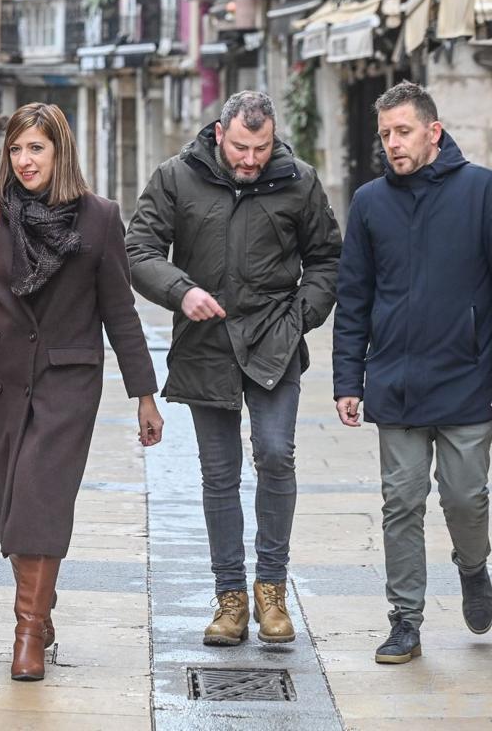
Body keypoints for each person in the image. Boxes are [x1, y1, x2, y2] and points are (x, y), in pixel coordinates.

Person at [0, 102, 162, 681]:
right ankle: (41, 606)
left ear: (60, 150)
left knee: (40, 497)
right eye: (16, 149)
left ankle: (28, 631)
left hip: (68, 380)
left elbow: (120, 309)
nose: (24, 160)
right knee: (12, 510)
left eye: (36, 148)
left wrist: (144, 392)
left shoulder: (99, 218)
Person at [126, 90, 341, 647]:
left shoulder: (300, 180)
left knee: (275, 453)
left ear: (274, 138)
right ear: (219, 134)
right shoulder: (176, 177)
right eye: (242, 147)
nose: (251, 159)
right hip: (205, 341)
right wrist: (181, 291)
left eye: (262, 147)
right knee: (218, 474)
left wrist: (301, 317)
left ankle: (272, 588)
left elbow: (327, 259)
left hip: (275, 337)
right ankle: (230, 598)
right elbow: (138, 249)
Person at [333, 82, 492, 665]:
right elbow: (354, 297)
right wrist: (349, 380)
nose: (393, 144)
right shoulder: (371, 201)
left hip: (467, 381)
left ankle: (474, 569)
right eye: (385, 135)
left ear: (434, 130)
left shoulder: (481, 191)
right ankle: (405, 621)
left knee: (466, 498)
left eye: (403, 132)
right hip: (395, 383)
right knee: (401, 503)